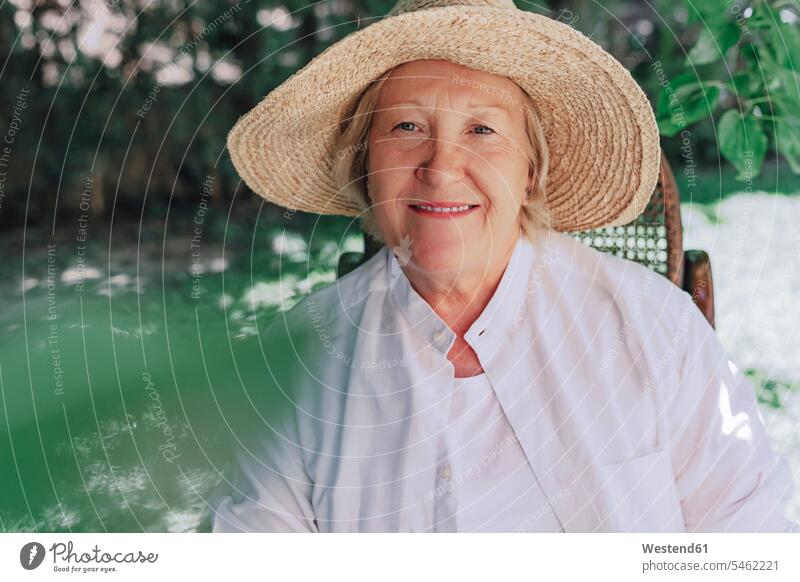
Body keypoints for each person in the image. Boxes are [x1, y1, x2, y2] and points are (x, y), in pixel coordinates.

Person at [211, 0, 798, 532]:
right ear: (365, 162)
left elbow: (752, 527)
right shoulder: (295, 363)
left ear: (531, 173)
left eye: (483, 130)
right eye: (407, 127)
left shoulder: (652, 325)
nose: (441, 168)